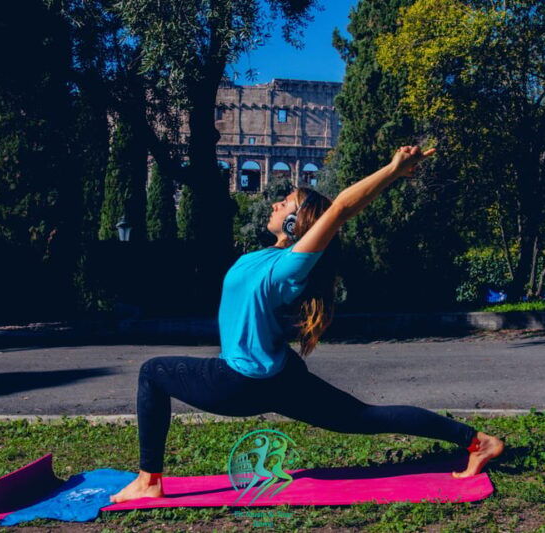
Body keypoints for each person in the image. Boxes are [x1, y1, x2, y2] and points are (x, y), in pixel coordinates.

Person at [110, 146, 505, 503]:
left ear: (298, 223)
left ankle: (149, 480)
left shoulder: (290, 266)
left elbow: (341, 209)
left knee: (152, 373)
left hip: (240, 381)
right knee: (362, 417)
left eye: (287, 202)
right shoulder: (266, 257)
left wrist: (393, 169)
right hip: (280, 376)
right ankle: (476, 442)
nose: (278, 202)